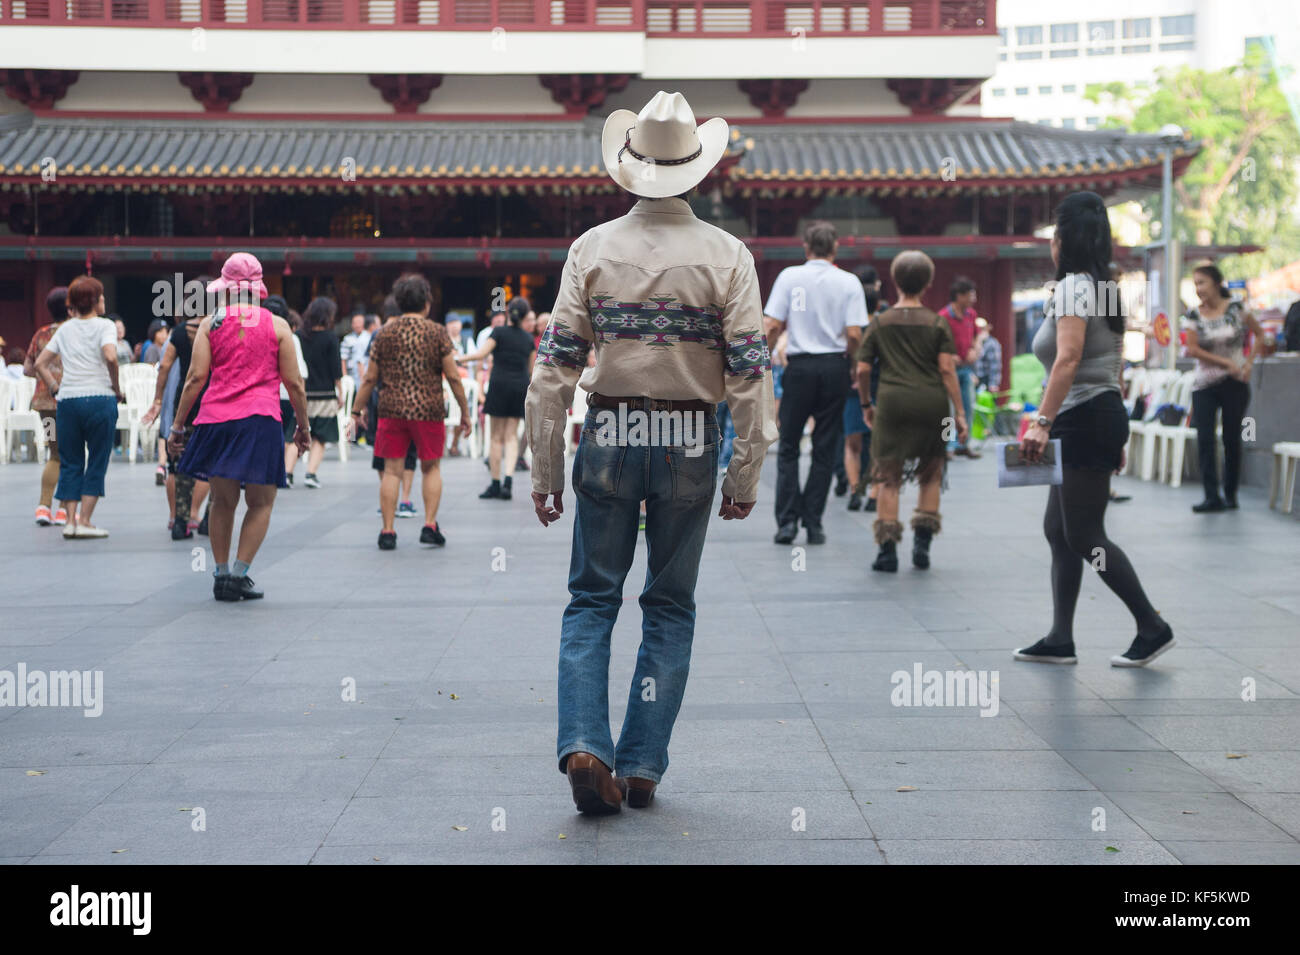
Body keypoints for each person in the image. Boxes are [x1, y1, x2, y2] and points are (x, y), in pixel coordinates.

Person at [526, 90, 777, 814]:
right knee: (669, 606)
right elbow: (750, 375)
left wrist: (545, 470)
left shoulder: (592, 248)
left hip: (609, 430)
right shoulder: (729, 255)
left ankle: (583, 743)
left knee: (591, 599)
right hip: (689, 437)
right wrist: (746, 471)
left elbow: (553, 372)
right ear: (696, 168)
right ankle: (638, 764)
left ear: (630, 165)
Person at [1015, 191, 1173, 668]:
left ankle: (1152, 624)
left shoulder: (1072, 288)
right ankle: (1060, 637)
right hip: (1094, 415)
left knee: (1084, 535)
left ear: (1062, 240)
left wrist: (1040, 422)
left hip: (1081, 419)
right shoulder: (1104, 287)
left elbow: (1067, 358)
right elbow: (1113, 363)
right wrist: (1113, 427)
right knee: (1058, 530)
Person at [169, 253, 310, 601]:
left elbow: (196, 377)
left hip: (216, 420)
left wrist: (177, 425)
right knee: (260, 503)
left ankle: (219, 574)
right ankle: (239, 573)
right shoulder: (278, 326)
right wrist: (303, 425)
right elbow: (294, 383)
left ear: (226, 288)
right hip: (260, 420)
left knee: (222, 500)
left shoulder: (210, 324)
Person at [856, 252, 966, 572]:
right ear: (929, 283)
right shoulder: (937, 322)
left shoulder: (880, 322)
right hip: (932, 403)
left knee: (888, 476)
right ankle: (922, 547)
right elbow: (947, 370)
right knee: (930, 473)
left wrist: (866, 403)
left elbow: (863, 370)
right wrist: (958, 412)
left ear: (894, 281)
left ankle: (887, 552)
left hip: (891, 403)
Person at [763, 221, 868, 545]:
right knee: (824, 447)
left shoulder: (789, 277)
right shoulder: (849, 282)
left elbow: (771, 327)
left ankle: (787, 523)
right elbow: (854, 335)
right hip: (834, 368)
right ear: (835, 249)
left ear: (806, 248)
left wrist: (761, 367)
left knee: (790, 445)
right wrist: (851, 366)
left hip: (800, 368)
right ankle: (814, 522)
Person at [351, 273, 470, 550]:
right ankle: (429, 525)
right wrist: (464, 411)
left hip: (391, 409)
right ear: (427, 303)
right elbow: (453, 377)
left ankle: (388, 531)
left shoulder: (384, 334)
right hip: (428, 409)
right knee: (431, 468)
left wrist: (356, 411)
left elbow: (369, 378)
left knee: (391, 471)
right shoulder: (437, 332)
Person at [33, 275, 122, 540]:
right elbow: (110, 356)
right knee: (96, 460)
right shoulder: (105, 326)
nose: (104, 300)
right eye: (102, 296)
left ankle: (69, 521)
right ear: (94, 301)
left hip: (68, 401)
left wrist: (54, 386)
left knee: (70, 461)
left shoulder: (66, 329)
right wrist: (116, 387)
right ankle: (85, 520)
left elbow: (40, 363)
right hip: (99, 398)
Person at [1182, 262, 1266, 513]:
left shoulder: (1237, 309)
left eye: (1202, 282)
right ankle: (1211, 495)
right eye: (1195, 284)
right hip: (1204, 384)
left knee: (1231, 438)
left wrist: (1249, 362)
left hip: (1235, 381)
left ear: (1217, 283)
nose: (1198, 289)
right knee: (1205, 438)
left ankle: (1230, 494)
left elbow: (1261, 335)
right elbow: (1193, 349)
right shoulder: (1193, 316)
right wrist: (1225, 362)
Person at [141, 277, 213, 539]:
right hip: (216, 402)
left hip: (187, 400)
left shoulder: (180, 333)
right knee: (217, 462)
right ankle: (208, 519)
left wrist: (158, 400)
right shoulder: (219, 328)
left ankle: (180, 521)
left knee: (179, 461)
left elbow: (165, 367)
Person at [458, 296, 536, 500]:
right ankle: (508, 482)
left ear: (509, 313)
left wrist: (457, 359)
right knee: (511, 436)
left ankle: (495, 483)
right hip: (519, 387)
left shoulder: (499, 333)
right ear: (525, 316)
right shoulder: (528, 339)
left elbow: (479, 355)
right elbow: (531, 370)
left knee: (495, 437)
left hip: (499, 385)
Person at [24, 287, 70, 527]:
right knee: (71, 455)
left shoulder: (41, 334)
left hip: (45, 404)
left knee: (55, 453)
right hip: (71, 403)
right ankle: (63, 510)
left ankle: (43, 507)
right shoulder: (74, 331)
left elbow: (27, 368)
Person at [262, 296, 310, 487]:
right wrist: (302, 411)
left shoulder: (253, 332)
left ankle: (265, 472)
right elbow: (299, 376)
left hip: (263, 396)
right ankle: (285, 473)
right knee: (288, 436)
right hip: (285, 395)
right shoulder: (289, 336)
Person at [295, 296, 342, 488]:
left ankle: (288, 473)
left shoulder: (299, 336)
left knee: (296, 434)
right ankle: (311, 473)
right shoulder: (331, 337)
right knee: (320, 437)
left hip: (303, 393)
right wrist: (340, 393)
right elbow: (336, 370)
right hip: (325, 395)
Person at [939, 276, 981, 458]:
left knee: (967, 407)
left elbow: (978, 336)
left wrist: (975, 349)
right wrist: (949, 356)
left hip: (966, 369)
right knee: (948, 410)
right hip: (949, 370)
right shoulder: (944, 317)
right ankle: (947, 446)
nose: (974, 298)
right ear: (959, 295)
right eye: (971, 294)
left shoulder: (971, 315)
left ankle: (964, 444)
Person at [973, 316, 1002, 392]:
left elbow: (994, 365)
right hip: (975, 379)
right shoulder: (973, 342)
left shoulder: (991, 343)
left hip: (986, 380)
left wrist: (993, 383)